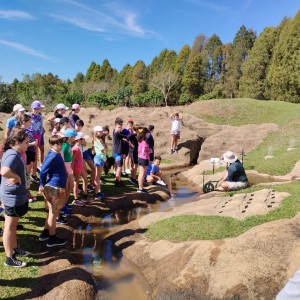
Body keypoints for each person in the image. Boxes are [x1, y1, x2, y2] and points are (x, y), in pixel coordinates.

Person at [1, 129, 30, 267]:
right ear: (17, 142)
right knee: (9, 227)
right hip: (12, 198)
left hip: (17, 195)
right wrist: (16, 177)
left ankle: (15, 248)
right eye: (26, 142)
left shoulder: (15, 153)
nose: (28, 145)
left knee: (13, 226)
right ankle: (9, 258)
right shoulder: (12, 154)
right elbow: (4, 171)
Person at [38, 135, 68, 247]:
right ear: (51, 145)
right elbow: (42, 171)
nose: (60, 146)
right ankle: (52, 238)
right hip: (54, 187)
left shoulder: (55, 153)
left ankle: (45, 233)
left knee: (51, 211)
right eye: (57, 144)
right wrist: (41, 184)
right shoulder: (53, 156)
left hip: (54, 186)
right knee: (53, 213)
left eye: (61, 144)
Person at [59, 128, 78, 223]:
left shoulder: (69, 144)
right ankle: (62, 207)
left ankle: (65, 203)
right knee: (66, 188)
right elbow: (61, 158)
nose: (75, 138)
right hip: (65, 168)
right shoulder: (64, 146)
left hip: (69, 166)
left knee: (70, 187)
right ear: (70, 137)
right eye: (74, 136)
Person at [72, 132, 89, 205]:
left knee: (85, 179)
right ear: (79, 140)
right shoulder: (75, 149)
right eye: (83, 139)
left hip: (80, 166)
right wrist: (72, 170)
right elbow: (72, 160)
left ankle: (85, 196)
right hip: (77, 167)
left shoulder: (79, 147)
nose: (85, 140)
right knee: (76, 182)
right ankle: (76, 199)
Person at [112, 118, 129, 187]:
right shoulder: (116, 133)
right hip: (117, 153)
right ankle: (117, 181)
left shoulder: (117, 132)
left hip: (118, 153)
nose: (120, 129)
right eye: (118, 127)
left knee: (120, 167)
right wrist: (132, 134)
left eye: (120, 127)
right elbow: (126, 136)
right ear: (115, 127)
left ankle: (119, 180)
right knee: (119, 168)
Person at [30, 100, 44, 183]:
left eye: (38, 108)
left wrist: (41, 135)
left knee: (36, 155)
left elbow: (41, 126)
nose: (36, 110)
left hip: (38, 136)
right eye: (35, 108)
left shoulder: (40, 116)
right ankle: (33, 173)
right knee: (33, 156)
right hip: (31, 137)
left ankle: (34, 173)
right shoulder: (28, 116)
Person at [92, 126, 107, 201]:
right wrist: (105, 148)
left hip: (101, 158)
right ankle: (97, 192)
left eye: (102, 131)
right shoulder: (97, 140)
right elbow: (104, 150)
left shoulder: (100, 139)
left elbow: (105, 149)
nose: (102, 132)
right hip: (99, 158)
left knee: (98, 177)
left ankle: (98, 191)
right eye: (100, 131)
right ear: (96, 132)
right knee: (97, 177)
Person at [137, 127, 151, 193]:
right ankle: (140, 188)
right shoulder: (144, 142)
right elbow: (144, 151)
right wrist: (149, 151)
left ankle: (140, 187)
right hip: (144, 158)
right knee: (142, 174)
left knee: (141, 173)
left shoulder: (140, 141)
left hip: (140, 158)